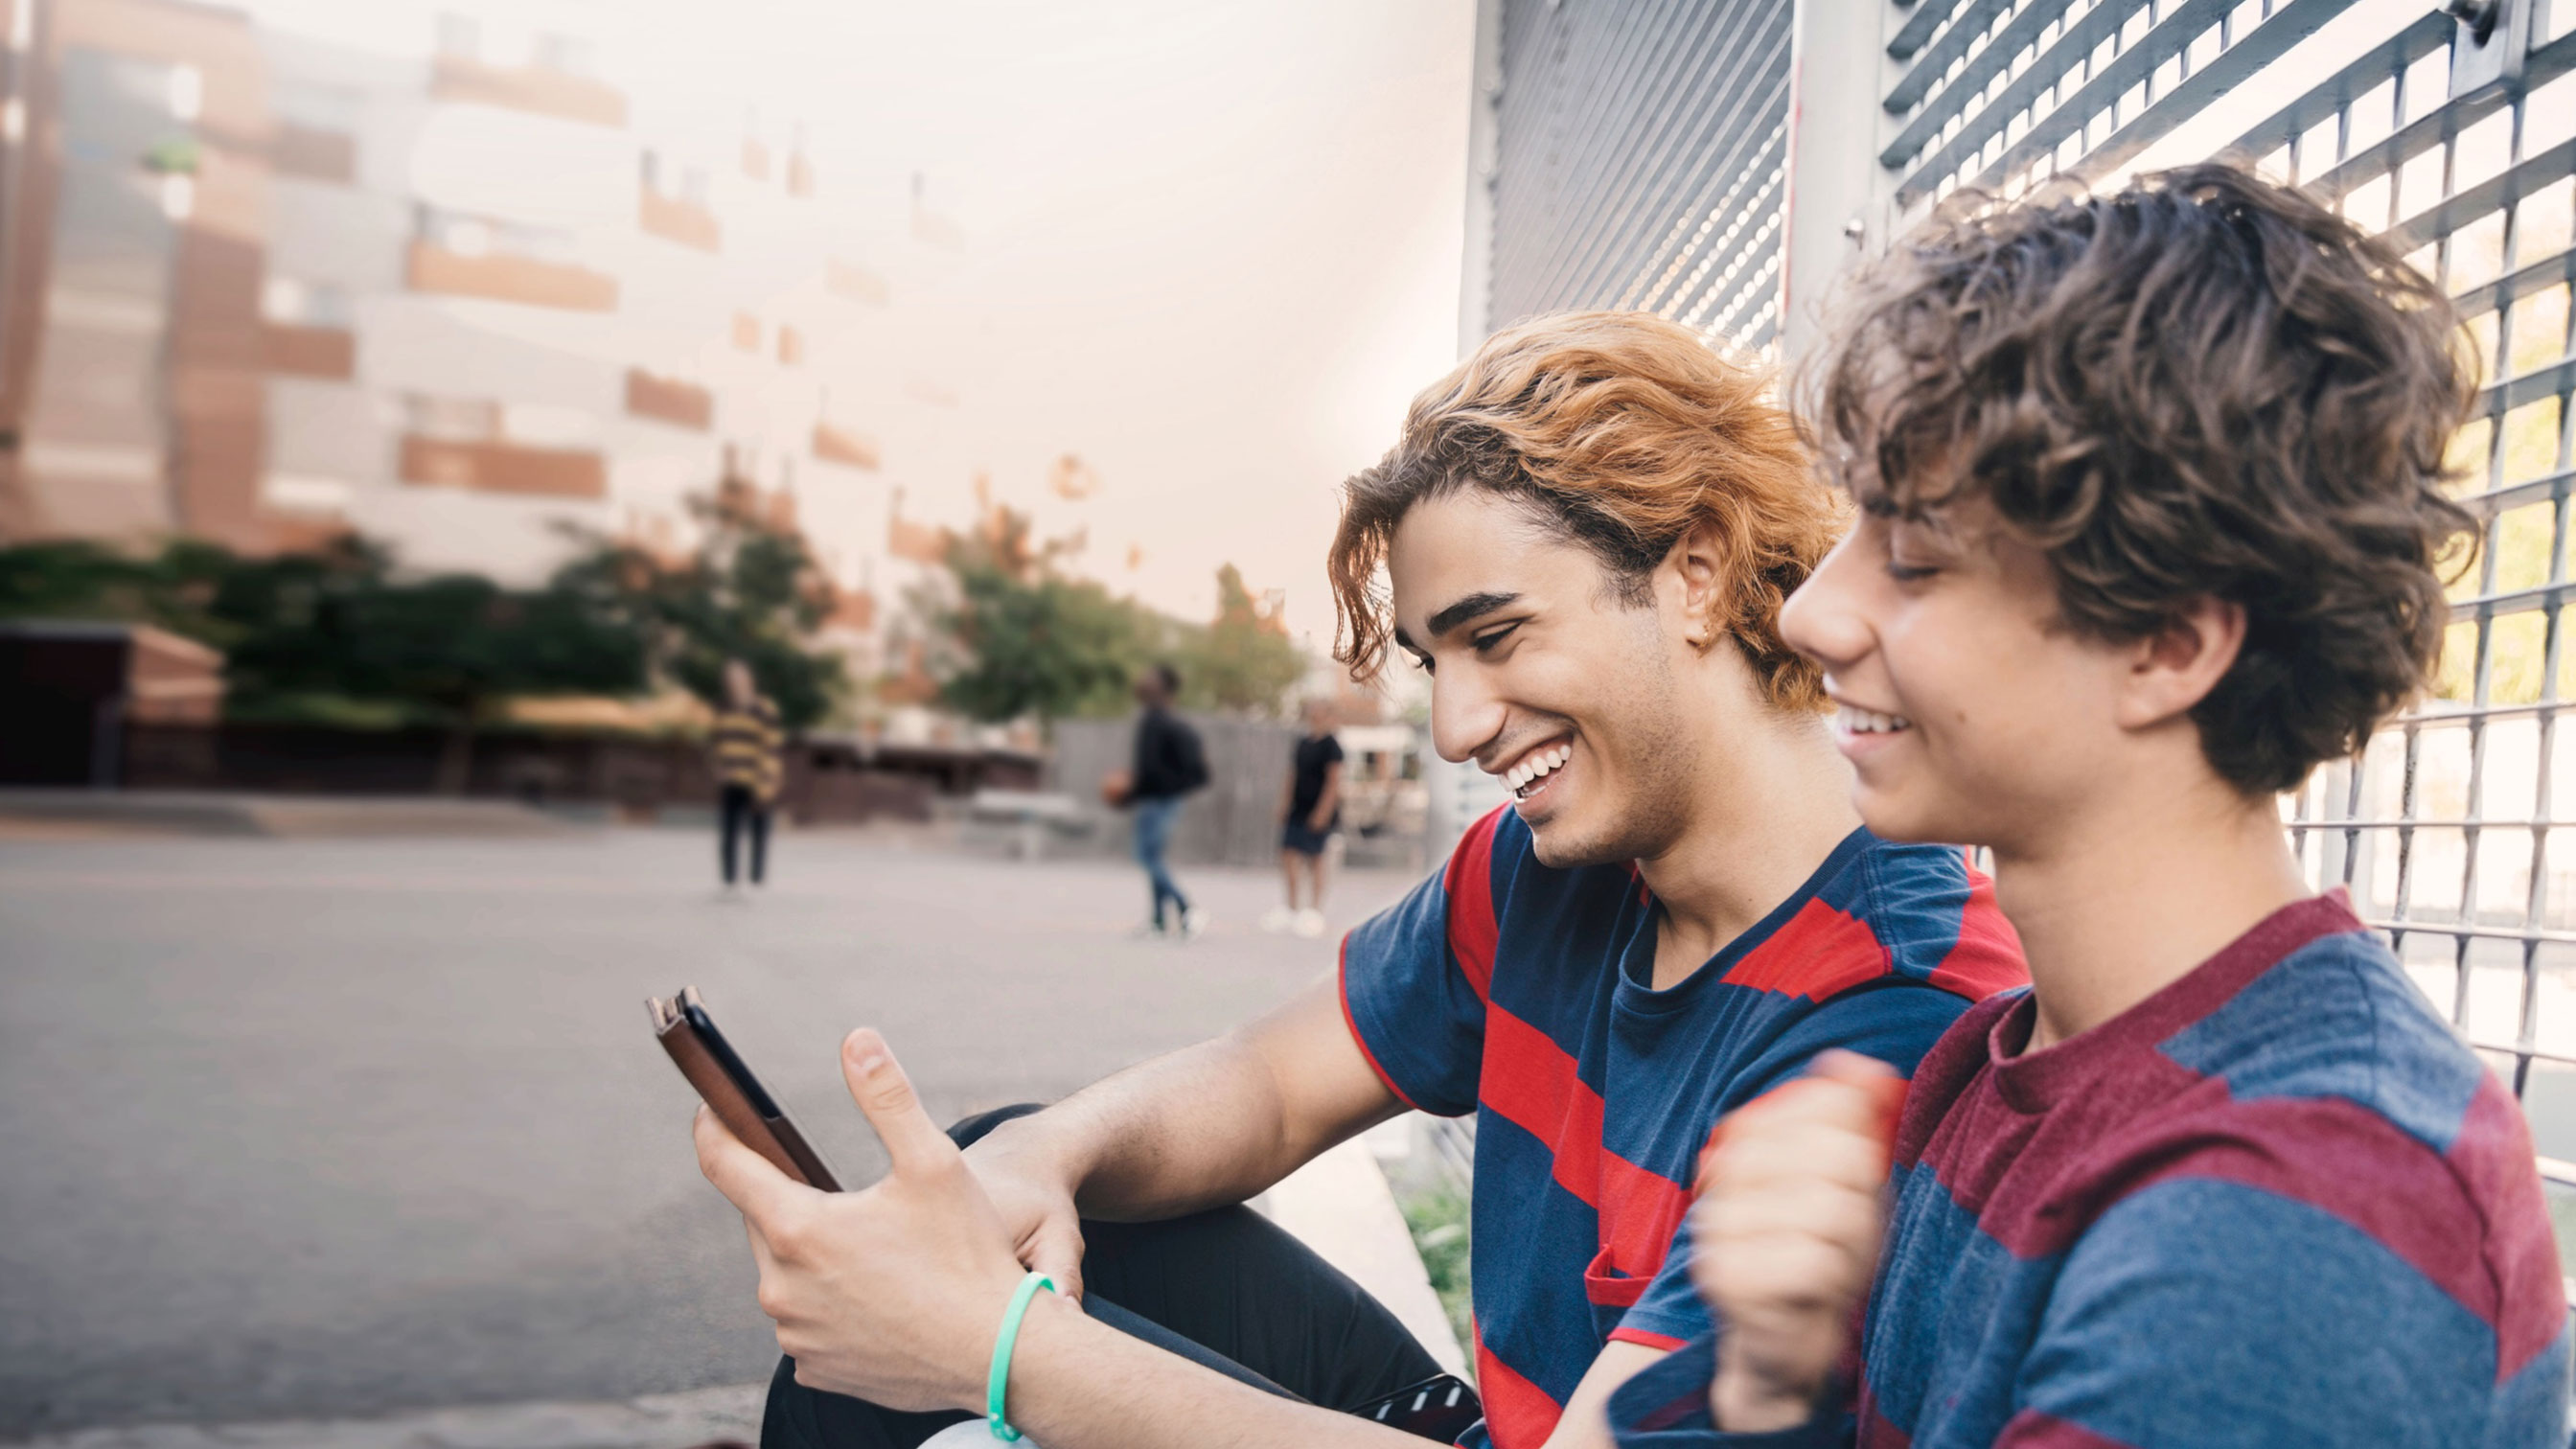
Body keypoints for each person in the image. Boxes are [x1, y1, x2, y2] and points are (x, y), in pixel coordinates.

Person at [692, 310, 2027, 1449]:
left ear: (1696, 570)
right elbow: (1270, 1084)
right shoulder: (1548, 866)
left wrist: (992, 1352)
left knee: (948, 1322)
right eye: (1435, 664)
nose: (1456, 726)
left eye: (1494, 637)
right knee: (1004, 1179)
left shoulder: (1903, 1012)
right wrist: (1048, 1151)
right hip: (1493, 1420)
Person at [1601, 166, 2571, 1448]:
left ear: (2168, 642)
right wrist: (1778, 1380)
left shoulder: (2296, 1212)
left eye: (1919, 559)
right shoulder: (2002, 1061)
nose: (1810, 614)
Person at [1121, 663, 1208, 937]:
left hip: (1161, 802)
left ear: (1163, 687)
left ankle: (1186, 908)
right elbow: (1148, 770)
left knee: (1146, 857)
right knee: (1152, 857)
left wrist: (1168, 790)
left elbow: (1198, 773)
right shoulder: (1153, 719)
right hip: (1152, 801)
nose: (1143, 679)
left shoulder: (1165, 723)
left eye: (1151, 677)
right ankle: (1159, 920)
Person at [1262, 698, 1343, 938]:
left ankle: (1315, 912)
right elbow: (1292, 774)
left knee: (1316, 859)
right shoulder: (1302, 743)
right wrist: (1284, 803)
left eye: (1319, 710)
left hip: (1318, 811)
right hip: (1298, 808)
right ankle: (1291, 907)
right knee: (1288, 854)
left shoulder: (1332, 746)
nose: (1314, 713)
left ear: (1328, 715)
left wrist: (1323, 812)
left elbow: (1334, 781)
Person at [712, 657, 783, 894]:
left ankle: (756, 878)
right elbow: (716, 741)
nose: (736, 682)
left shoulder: (764, 709)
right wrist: (718, 767)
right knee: (729, 830)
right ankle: (729, 879)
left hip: (757, 778)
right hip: (731, 778)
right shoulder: (723, 708)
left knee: (759, 830)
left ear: (750, 679)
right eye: (731, 678)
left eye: (740, 677)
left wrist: (768, 780)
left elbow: (771, 746)